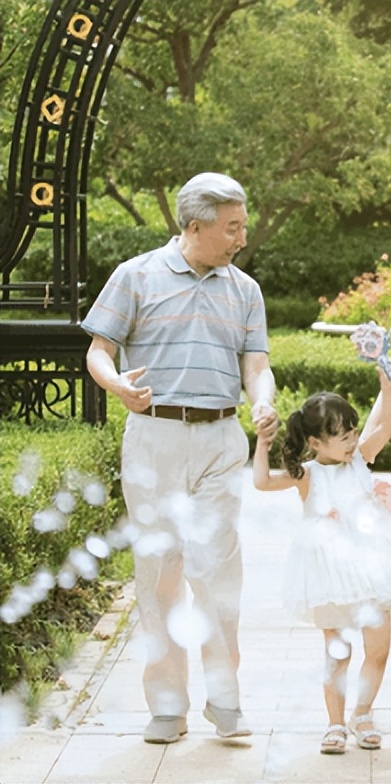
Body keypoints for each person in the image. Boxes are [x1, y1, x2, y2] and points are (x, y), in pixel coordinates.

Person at [83, 172, 276, 744]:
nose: (241, 236)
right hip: (154, 437)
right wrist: (118, 386)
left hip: (220, 438)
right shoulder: (135, 276)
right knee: (160, 574)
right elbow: (98, 350)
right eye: (232, 227)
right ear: (195, 226)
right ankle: (167, 706)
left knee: (216, 570)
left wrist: (262, 403)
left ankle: (225, 701)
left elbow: (256, 365)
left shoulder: (244, 289)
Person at [252, 384, 391, 753]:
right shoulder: (308, 475)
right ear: (315, 443)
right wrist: (262, 445)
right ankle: (334, 723)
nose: (352, 442)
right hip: (330, 575)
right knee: (338, 654)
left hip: (372, 569)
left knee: (378, 650)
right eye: (343, 437)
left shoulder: (360, 458)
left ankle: (362, 713)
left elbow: (389, 425)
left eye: (353, 433)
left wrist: (385, 384)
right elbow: (263, 482)